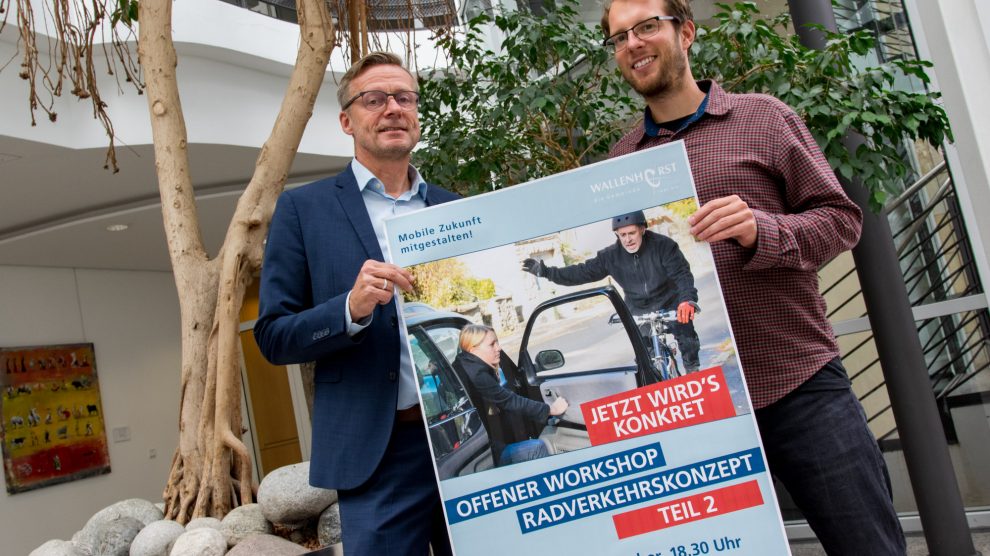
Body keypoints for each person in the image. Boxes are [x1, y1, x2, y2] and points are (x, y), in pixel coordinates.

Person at [599, 0, 905, 554]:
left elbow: (840, 221)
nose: (633, 45)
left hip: (801, 387)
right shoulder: (619, 164)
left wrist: (761, 229)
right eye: (619, 38)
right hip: (699, 412)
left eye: (647, 27)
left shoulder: (765, 117)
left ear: (686, 32)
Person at [253, 52, 456, 556]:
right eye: (374, 99)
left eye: (404, 97)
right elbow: (273, 336)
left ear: (417, 113)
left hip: (460, 434)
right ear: (346, 120)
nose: (392, 108)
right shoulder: (304, 210)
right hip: (378, 452)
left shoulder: (453, 208)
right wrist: (349, 309)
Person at [522, 210, 701, 372]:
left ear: (642, 229)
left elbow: (682, 274)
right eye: (622, 235)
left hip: (671, 301)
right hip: (639, 307)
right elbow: (580, 273)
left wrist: (687, 299)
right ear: (617, 234)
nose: (627, 239)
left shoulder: (664, 246)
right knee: (644, 358)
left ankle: (693, 372)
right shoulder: (610, 256)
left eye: (632, 233)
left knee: (688, 341)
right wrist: (545, 272)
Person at [453, 325, 568, 465]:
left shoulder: (463, 366)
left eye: (497, 342)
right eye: (492, 344)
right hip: (485, 455)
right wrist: (551, 409)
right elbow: (510, 401)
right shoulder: (476, 375)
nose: (498, 348)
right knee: (536, 448)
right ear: (473, 349)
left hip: (475, 445)